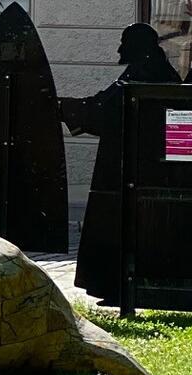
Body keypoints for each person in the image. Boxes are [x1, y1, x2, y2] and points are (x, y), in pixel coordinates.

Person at [63, 22, 186, 303]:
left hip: (131, 172)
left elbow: (107, 109)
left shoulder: (145, 74)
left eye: (124, 42)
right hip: (136, 169)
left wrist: (67, 109)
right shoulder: (149, 70)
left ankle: (124, 288)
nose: (119, 49)